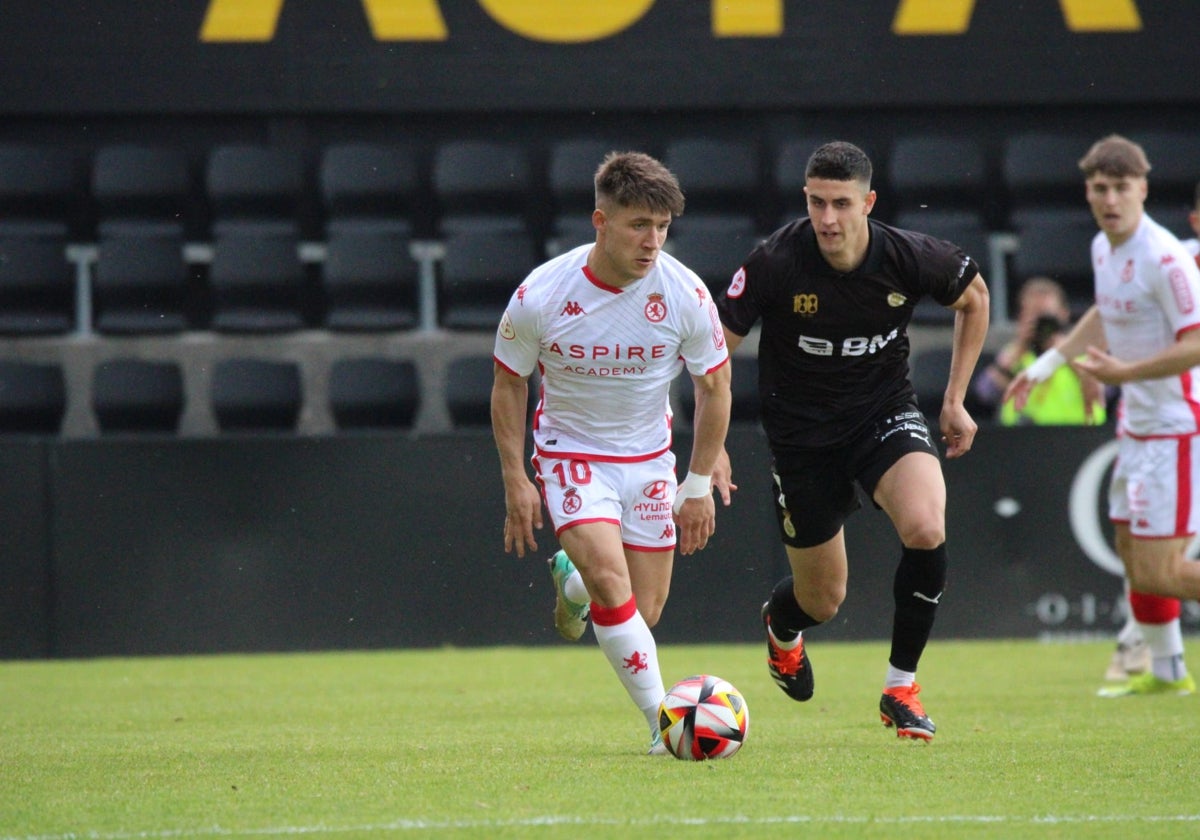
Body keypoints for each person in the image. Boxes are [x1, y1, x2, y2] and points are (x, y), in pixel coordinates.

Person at [714, 140, 990, 741]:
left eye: (841, 203)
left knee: (925, 525)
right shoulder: (774, 263)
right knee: (822, 601)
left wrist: (954, 399)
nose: (827, 219)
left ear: (868, 201)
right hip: (802, 440)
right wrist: (710, 445)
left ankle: (900, 687)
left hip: (882, 413)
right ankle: (781, 628)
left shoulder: (911, 256)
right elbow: (712, 355)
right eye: (816, 202)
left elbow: (976, 297)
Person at [491, 151, 733, 755]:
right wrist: (516, 479)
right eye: (638, 226)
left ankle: (571, 584)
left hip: (649, 459)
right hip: (571, 453)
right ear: (600, 221)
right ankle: (663, 724)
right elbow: (509, 382)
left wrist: (699, 479)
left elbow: (714, 386)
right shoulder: (541, 294)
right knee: (610, 579)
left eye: (662, 227)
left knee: (640, 612)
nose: (653, 242)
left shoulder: (686, 294)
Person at [1005, 134, 1200, 697]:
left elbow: (1195, 341)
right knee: (1134, 560)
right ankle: (1166, 673)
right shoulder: (1103, 247)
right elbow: (1105, 312)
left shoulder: (1167, 259)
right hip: (1136, 427)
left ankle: (1165, 668)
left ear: (1141, 188)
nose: (1109, 199)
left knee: (1162, 571)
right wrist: (1046, 365)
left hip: (1174, 428)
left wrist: (1124, 375)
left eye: (1120, 188)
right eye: (1099, 188)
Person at [972, 276, 1108, 426]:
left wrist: (1063, 353)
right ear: (1022, 317)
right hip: (1022, 438)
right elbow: (986, 393)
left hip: (1078, 435)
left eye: (1046, 315)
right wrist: (1020, 347)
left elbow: (1106, 392)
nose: (1042, 323)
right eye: (1034, 316)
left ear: (1063, 314)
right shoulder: (1014, 353)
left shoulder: (1083, 351)